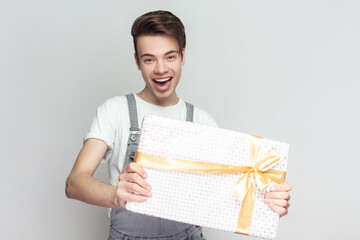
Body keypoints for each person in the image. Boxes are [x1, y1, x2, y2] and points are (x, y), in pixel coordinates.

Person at [65, 10, 292, 240]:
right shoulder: (115, 111)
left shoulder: (203, 122)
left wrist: (269, 205)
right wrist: (117, 195)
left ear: (183, 56)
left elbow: (230, 196)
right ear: (137, 61)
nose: (161, 69)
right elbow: (75, 183)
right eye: (149, 59)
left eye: (170, 57)